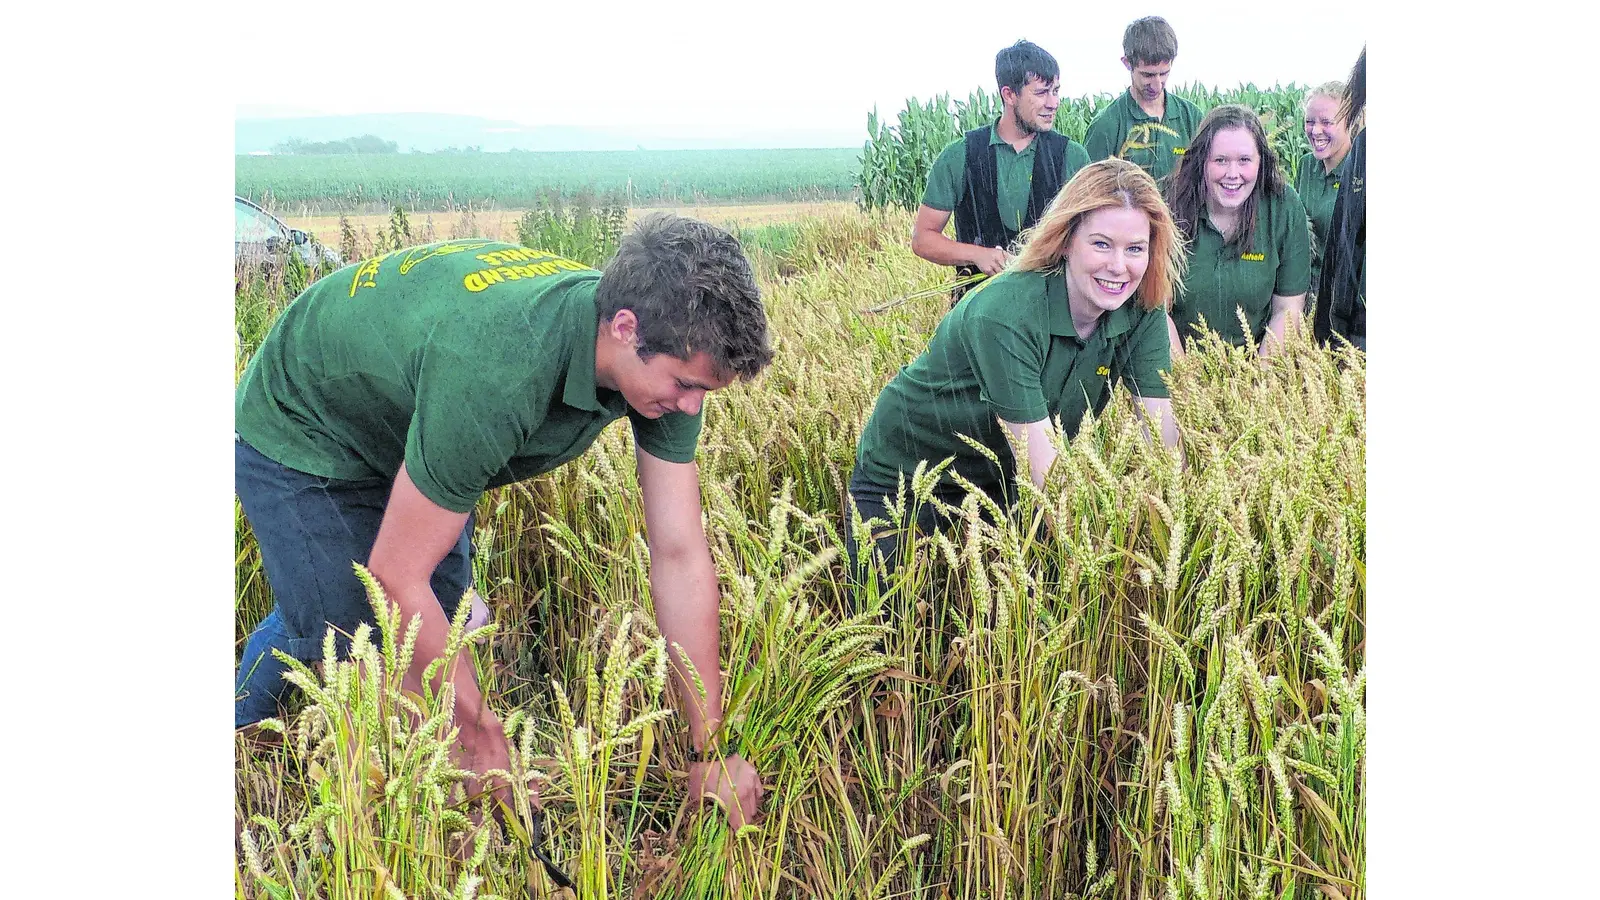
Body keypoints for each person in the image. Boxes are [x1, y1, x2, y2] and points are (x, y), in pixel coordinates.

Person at [233, 213, 771, 827]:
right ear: (625, 328)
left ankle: (312, 601)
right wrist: (483, 734)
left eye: (705, 390)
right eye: (685, 385)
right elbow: (396, 572)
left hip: (416, 418)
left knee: (440, 624)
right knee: (355, 642)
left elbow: (678, 552)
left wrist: (710, 749)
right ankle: (240, 743)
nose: (692, 407)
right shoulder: (500, 368)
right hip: (305, 419)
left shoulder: (667, 357)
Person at [848, 158, 1185, 589]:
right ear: (1066, 241)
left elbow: (1162, 444)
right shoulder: (1005, 313)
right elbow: (1046, 475)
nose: (1119, 267)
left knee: (1018, 626)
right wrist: (1110, 568)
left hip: (1001, 482)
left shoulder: (1142, 310)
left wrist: (1169, 540)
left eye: (1135, 248)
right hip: (908, 479)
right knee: (896, 623)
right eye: (1101, 244)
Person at [912, 40, 1091, 301]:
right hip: (976, 309)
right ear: (1009, 95)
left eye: (1056, 91)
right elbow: (923, 239)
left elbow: (1092, 236)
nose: (1053, 102)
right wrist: (978, 255)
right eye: (1041, 92)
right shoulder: (959, 156)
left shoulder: (1072, 157)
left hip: (1051, 310)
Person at [1165, 104, 1311, 356]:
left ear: (1261, 161)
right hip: (1179, 367)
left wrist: (1258, 385)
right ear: (1202, 162)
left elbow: (1288, 310)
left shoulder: (1283, 207)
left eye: (1244, 160)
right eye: (1220, 160)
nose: (1233, 174)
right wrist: (1184, 381)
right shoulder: (1168, 205)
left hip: (1259, 367)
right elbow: (1156, 311)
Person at [1083, 16, 1204, 187]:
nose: (1156, 85)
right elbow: (1089, 191)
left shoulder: (1192, 117)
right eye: (1148, 75)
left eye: (1164, 74)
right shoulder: (1106, 126)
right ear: (1127, 64)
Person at [1313, 47, 1366, 351]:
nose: (1316, 131)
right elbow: (1340, 249)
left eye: (1327, 122)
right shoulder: (1363, 149)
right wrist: (1325, 335)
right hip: (1346, 336)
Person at [1294, 81, 1351, 309]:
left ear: (1350, 122)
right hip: (1306, 294)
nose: (1315, 131)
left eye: (1327, 122)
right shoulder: (1307, 166)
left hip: (1343, 299)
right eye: (1309, 122)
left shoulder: (1361, 171)